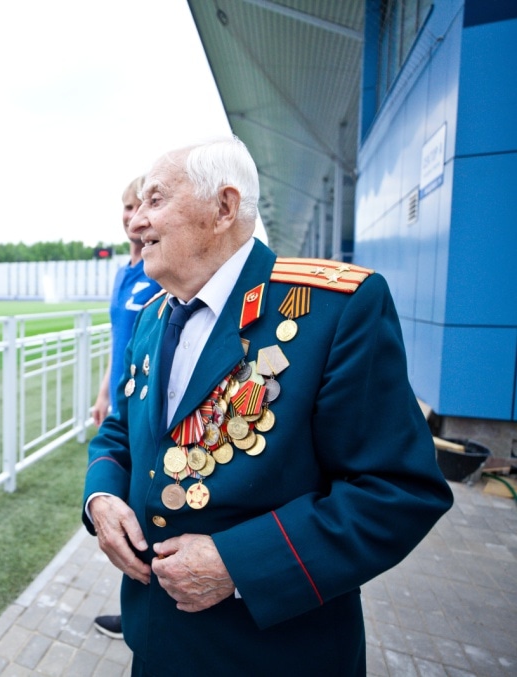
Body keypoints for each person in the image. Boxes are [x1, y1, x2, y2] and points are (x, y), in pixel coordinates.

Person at [82, 136, 453, 675]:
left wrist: (238, 564)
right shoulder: (154, 315)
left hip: (270, 655)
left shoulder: (334, 310)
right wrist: (101, 498)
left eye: (154, 201)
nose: (135, 223)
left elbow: (398, 490)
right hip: (156, 641)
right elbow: (121, 427)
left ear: (224, 209)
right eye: (136, 205)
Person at [90, 176, 161, 639]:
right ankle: (136, 603)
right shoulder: (124, 272)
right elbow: (122, 346)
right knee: (122, 504)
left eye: (141, 204)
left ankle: (144, 605)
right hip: (120, 402)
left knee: (145, 503)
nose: (131, 215)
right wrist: (103, 392)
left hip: (145, 406)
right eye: (126, 206)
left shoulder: (158, 269)